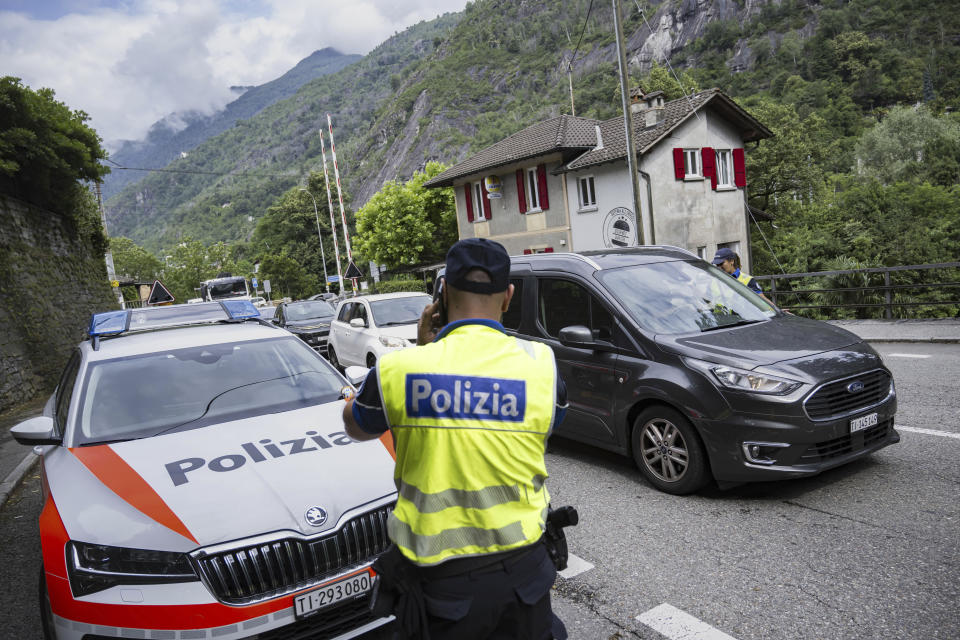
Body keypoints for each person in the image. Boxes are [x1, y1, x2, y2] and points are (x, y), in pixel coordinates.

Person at [343, 238, 569, 639]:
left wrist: (421, 348)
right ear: (508, 296)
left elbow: (356, 425)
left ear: (442, 292)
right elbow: (546, 429)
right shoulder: (542, 366)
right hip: (525, 580)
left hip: (441, 589)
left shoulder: (399, 368)